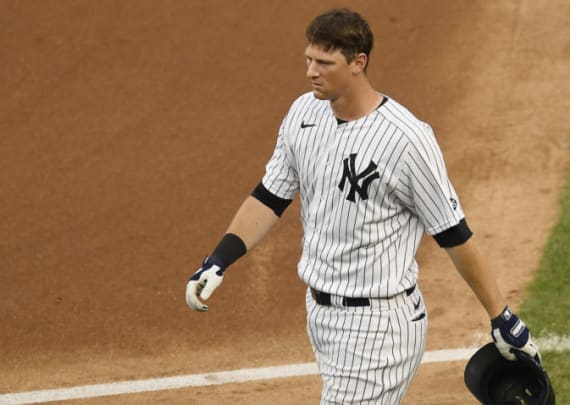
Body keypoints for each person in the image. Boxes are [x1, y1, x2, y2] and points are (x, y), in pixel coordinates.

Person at [186, 8, 541, 404]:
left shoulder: (406, 140)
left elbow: (454, 234)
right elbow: (270, 196)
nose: (311, 71)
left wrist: (501, 316)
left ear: (359, 63)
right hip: (321, 313)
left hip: (378, 325)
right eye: (308, 59)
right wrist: (219, 258)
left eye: (324, 62)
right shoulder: (304, 114)